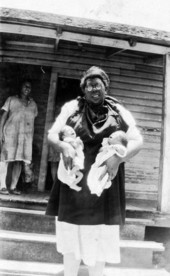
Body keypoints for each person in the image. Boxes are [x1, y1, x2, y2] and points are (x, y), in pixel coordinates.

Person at [46, 66, 143, 276]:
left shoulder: (118, 110)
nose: (94, 89)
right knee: (71, 237)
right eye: (89, 85)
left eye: (97, 84)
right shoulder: (72, 107)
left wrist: (119, 158)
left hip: (103, 184)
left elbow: (138, 141)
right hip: (74, 183)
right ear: (83, 88)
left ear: (105, 86)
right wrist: (63, 147)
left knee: (99, 240)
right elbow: (52, 135)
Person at [0, 80, 38, 195]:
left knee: (19, 161)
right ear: (20, 87)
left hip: (25, 137)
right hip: (10, 134)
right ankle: (2, 186)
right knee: (4, 159)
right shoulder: (11, 99)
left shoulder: (33, 104)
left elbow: (33, 119)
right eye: (25, 86)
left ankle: (13, 186)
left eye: (30, 87)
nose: (27, 88)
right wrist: (0, 132)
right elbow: (3, 116)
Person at [87, 130, 128, 197]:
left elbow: (123, 152)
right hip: (99, 164)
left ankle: (98, 188)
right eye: (113, 133)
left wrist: (115, 147)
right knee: (93, 174)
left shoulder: (120, 147)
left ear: (120, 141)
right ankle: (94, 186)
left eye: (116, 135)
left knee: (103, 175)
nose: (112, 134)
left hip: (107, 166)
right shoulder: (107, 145)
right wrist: (105, 148)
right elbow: (100, 150)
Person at [57, 125, 84, 192]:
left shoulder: (74, 140)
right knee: (77, 167)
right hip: (72, 159)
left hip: (76, 158)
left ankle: (73, 184)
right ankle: (70, 174)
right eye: (68, 130)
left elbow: (81, 148)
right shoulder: (67, 140)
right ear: (64, 136)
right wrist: (77, 142)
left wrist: (81, 143)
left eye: (72, 129)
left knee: (81, 174)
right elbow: (74, 146)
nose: (72, 130)